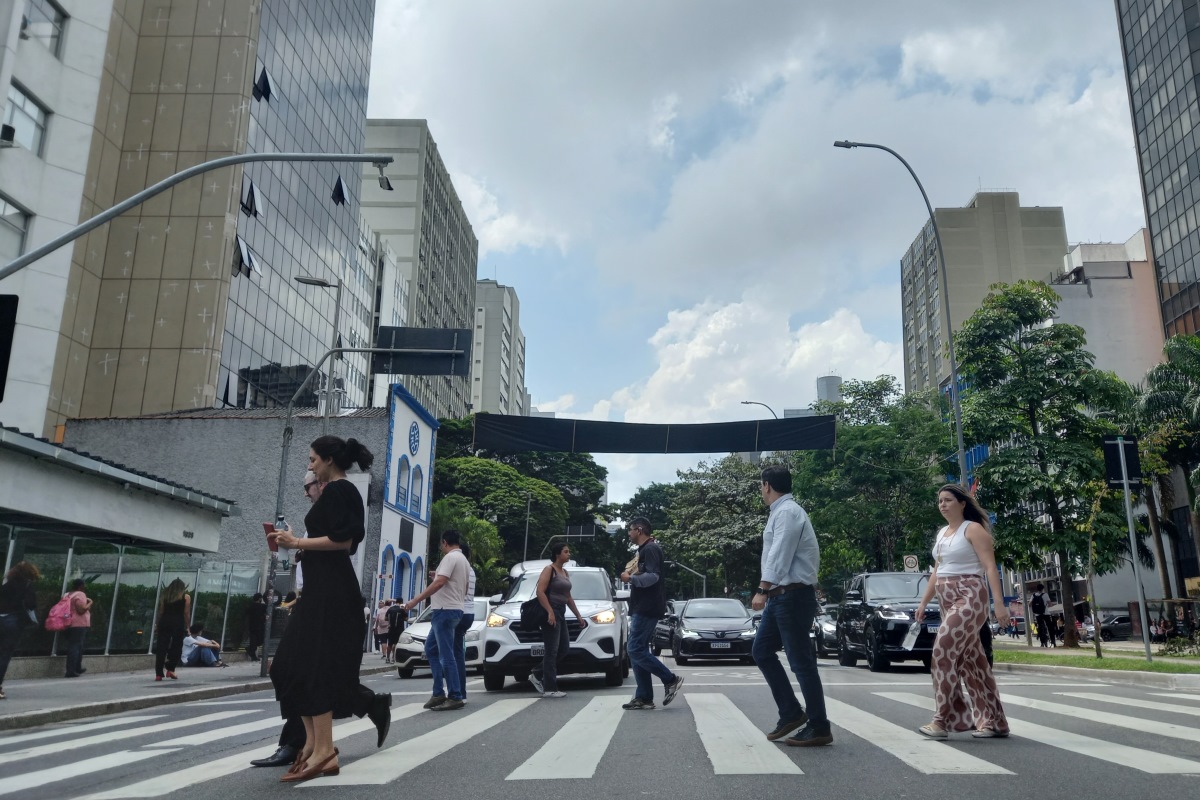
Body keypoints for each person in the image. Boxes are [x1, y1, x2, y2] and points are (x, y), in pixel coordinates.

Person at [269, 435, 392, 782]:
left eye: (312, 459)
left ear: (327, 460)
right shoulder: (336, 492)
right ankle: (312, 745)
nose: (309, 466)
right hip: (321, 591)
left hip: (332, 594)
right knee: (288, 666)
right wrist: (294, 545)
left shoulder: (342, 490)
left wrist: (297, 542)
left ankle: (323, 751)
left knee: (310, 667)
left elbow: (346, 542)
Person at [914, 484, 1009, 739]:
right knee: (973, 661)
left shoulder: (973, 529)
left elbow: (990, 567)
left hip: (970, 595)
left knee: (942, 650)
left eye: (948, 500)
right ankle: (994, 721)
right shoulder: (943, 533)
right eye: (940, 501)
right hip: (946, 598)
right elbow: (937, 571)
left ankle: (942, 719)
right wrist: (924, 603)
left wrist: (998, 604)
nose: (942, 505)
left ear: (962, 503)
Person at [750, 466, 832, 747]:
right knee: (761, 651)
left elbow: (780, 553)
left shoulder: (787, 512)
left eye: (761, 486)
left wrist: (763, 588)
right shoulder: (781, 512)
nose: (761, 491)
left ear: (767, 485)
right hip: (781, 596)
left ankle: (819, 725)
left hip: (792, 595)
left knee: (801, 664)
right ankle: (791, 712)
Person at [618, 519, 682, 710]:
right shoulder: (644, 549)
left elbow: (653, 576)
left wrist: (630, 578)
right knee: (639, 650)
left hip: (647, 606)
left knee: (634, 649)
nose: (629, 534)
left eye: (630, 530)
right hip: (643, 605)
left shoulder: (650, 549)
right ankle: (644, 696)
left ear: (639, 530)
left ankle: (670, 679)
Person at [403, 530, 470, 711]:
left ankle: (455, 695)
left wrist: (416, 600)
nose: (441, 547)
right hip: (454, 609)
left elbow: (440, 583)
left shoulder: (449, 558)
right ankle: (438, 692)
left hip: (444, 611)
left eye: (441, 544)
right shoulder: (463, 560)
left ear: (445, 542)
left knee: (445, 655)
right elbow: (461, 585)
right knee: (431, 649)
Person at [530, 541, 589, 699]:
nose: (568, 554)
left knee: (564, 648)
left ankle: (536, 673)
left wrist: (578, 615)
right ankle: (550, 688)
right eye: (566, 551)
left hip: (561, 612)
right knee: (552, 650)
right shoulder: (549, 570)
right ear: (557, 554)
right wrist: (550, 612)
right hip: (551, 611)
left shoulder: (564, 572)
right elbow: (540, 592)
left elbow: (568, 597)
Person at [0, 561, 40, 700]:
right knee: (4, 655)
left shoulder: (6, 584)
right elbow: (31, 604)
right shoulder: (27, 585)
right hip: (13, 621)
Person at [452, 542, 478, 699]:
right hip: (468, 612)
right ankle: (460, 691)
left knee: (453, 655)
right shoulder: (471, 570)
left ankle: (459, 692)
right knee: (457, 653)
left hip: (459, 611)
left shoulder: (462, 569)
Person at [155, 579, 191, 680]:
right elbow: (186, 613)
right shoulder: (186, 597)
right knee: (177, 646)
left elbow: (161, 612)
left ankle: (158, 674)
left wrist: (157, 625)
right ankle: (170, 669)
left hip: (164, 622)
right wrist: (188, 626)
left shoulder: (165, 596)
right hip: (177, 623)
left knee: (161, 647)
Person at [63, 579, 93, 678]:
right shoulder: (80, 594)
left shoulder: (67, 594)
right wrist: (90, 602)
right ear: (81, 586)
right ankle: (71, 670)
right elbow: (81, 610)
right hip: (78, 624)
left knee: (77, 646)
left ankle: (77, 668)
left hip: (68, 623)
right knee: (75, 647)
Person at [1030, 583, 1054, 648]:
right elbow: (1050, 604)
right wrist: (1048, 605)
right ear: (1042, 589)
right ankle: (1052, 642)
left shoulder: (1033, 595)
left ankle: (1042, 642)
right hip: (1045, 613)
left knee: (1040, 628)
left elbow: (1030, 604)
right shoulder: (1045, 595)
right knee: (1050, 627)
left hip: (1037, 614)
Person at [245, 593, 267, 662]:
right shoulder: (262, 606)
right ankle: (252, 653)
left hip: (252, 627)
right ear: (260, 598)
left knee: (253, 641)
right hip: (259, 627)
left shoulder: (251, 606)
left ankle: (251, 651)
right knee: (258, 641)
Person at [385, 598, 406, 665]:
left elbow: (385, 618)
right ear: (401, 602)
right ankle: (394, 657)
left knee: (390, 644)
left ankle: (387, 658)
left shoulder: (390, 609)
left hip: (391, 628)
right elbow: (406, 618)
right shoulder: (402, 609)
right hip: (399, 629)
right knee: (396, 644)